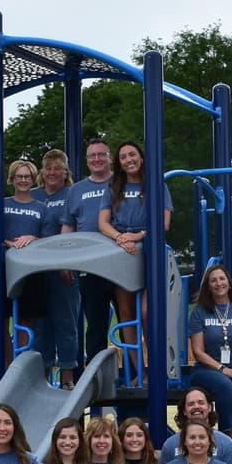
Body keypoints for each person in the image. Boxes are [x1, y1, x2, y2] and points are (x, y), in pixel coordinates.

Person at [97, 140, 172, 355]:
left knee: (147, 312)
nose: (128, 160)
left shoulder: (156, 185)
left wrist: (139, 235)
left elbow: (164, 223)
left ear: (141, 157)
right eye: (123, 157)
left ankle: (156, 361)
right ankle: (139, 368)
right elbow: (103, 222)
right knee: (126, 312)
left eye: (132, 154)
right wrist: (121, 238)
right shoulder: (113, 187)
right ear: (119, 163)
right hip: (123, 250)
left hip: (149, 248)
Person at [186, 266, 232, 436]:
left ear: (229, 283)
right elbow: (198, 352)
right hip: (207, 367)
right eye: (213, 280)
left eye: (222, 279)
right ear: (208, 286)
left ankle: (230, 433)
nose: (219, 283)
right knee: (224, 384)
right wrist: (223, 369)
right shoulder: (199, 312)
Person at [69, 138, 120, 365]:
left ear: (110, 158)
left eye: (101, 154)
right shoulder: (76, 190)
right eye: (92, 155)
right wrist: (66, 261)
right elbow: (68, 228)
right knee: (96, 324)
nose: (97, 159)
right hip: (89, 265)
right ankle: (96, 374)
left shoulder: (121, 183)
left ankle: (137, 372)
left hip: (121, 262)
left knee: (128, 319)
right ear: (87, 160)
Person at [36, 149, 82, 387]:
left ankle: (67, 377)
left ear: (66, 172)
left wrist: (68, 261)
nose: (52, 172)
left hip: (64, 268)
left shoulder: (72, 194)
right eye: (48, 168)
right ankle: (42, 378)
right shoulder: (32, 195)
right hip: (36, 269)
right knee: (40, 324)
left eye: (58, 168)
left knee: (66, 322)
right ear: (42, 172)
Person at [3, 158, 56, 358]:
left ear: (33, 179)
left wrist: (33, 239)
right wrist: (9, 243)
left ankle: (21, 364)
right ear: (12, 179)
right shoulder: (2, 204)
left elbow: (48, 238)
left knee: (26, 320)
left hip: (31, 269)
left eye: (27, 177)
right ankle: (7, 366)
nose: (23, 180)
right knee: (1, 319)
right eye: (19, 176)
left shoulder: (42, 208)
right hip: (4, 266)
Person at [158, 386, 232, 464]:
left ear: (209, 407)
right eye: (191, 404)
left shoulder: (225, 443)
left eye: (201, 403)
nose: (196, 406)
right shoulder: (170, 445)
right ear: (184, 411)